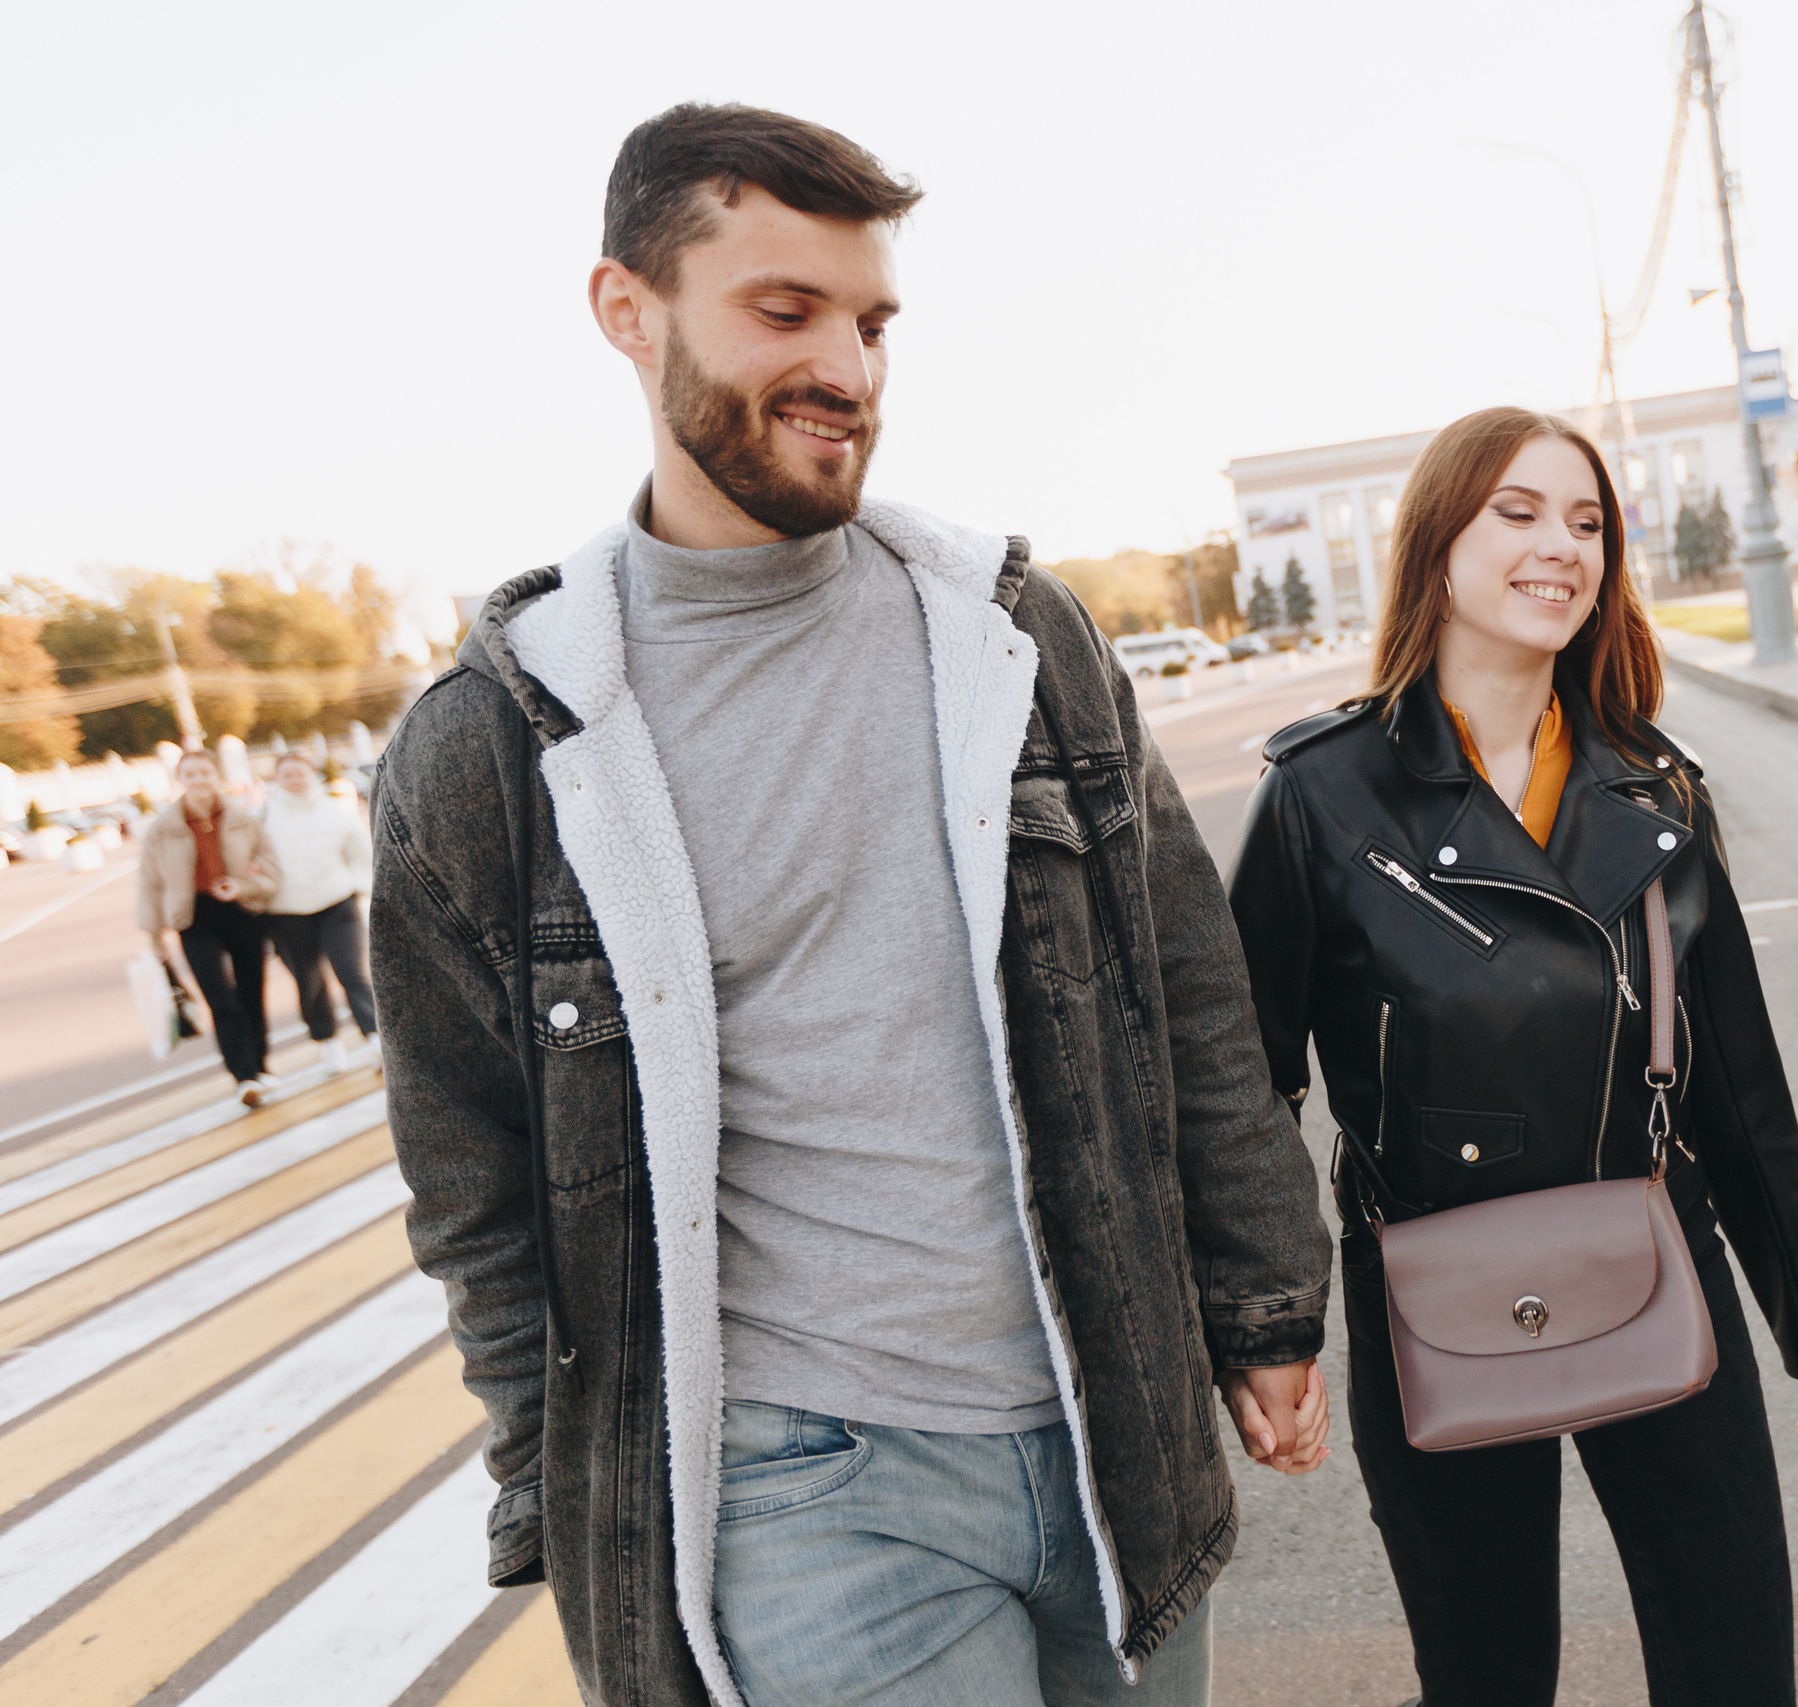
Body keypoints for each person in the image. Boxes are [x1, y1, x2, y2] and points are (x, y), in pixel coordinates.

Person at [369, 104, 1331, 1707]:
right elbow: (470, 1176)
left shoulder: (1013, 637)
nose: (851, 370)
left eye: (872, 321)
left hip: (1108, 1416)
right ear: (628, 311)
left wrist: (1262, 1294)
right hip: (803, 1482)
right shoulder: (497, 746)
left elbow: (1185, 987)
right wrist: (557, 1493)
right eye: (784, 311)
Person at [1229, 407, 1798, 1707]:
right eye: (1517, 512)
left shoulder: (1654, 786)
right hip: (1431, 1292)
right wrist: (1266, 1323)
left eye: (1586, 522)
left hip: (1652, 1257)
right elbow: (1247, 1080)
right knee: (1486, 1676)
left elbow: (1738, 1084)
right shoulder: (1323, 793)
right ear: (1438, 545)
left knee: (1737, 1662)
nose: (1559, 546)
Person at [138, 748, 282, 1105]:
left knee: (252, 992)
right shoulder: (163, 828)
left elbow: (271, 867)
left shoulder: (242, 818)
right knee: (219, 997)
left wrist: (243, 887)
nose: (199, 780)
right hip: (194, 918)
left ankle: (261, 1065)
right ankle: (243, 1076)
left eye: (205, 772)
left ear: (216, 775)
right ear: (180, 780)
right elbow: (150, 883)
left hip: (242, 911)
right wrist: (154, 934)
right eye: (191, 774)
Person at [260, 749, 377, 1074]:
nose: (295, 780)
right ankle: (328, 1042)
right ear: (277, 779)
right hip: (285, 911)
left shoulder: (335, 812)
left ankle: (375, 1037)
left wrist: (357, 887)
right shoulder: (263, 817)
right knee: (308, 979)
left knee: (352, 973)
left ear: (312, 775)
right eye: (288, 775)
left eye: (300, 773)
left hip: (337, 902)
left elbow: (360, 852)